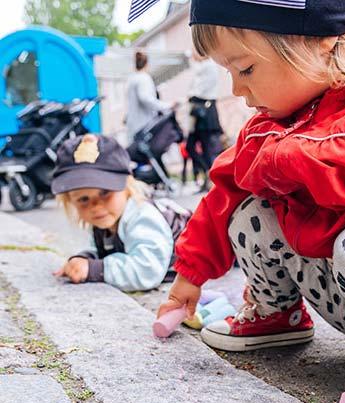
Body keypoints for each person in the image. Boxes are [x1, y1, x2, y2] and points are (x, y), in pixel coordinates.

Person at [157, 0, 345, 352]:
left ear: (319, 39)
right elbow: (221, 197)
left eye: (246, 69)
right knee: (249, 213)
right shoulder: (267, 130)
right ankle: (277, 314)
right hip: (344, 300)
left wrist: (289, 156)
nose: (237, 89)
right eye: (230, 73)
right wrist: (189, 273)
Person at [52, 133, 174, 292]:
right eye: (83, 199)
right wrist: (83, 259)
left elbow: (147, 270)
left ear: (127, 187)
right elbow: (103, 250)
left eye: (104, 193)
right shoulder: (106, 220)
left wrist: (95, 269)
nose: (95, 206)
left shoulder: (142, 216)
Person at [186, 48, 224, 191]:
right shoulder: (201, 68)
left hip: (206, 112)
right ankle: (208, 175)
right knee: (192, 145)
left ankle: (213, 180)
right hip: (199, 114)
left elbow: (198, 92)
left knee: (209, 148)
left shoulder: (209, 67)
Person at [126, 51, 170, 145]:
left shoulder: (131, 79)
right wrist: (166, 106)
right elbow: (145, 98)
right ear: (147, 64)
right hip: (144, 125)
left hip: (133, 124)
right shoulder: (144, 78)